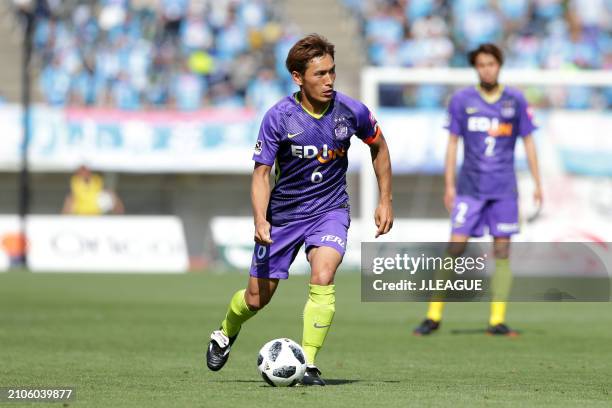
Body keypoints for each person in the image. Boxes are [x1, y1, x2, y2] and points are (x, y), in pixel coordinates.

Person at [206, 34, 393, 385]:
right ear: (297, 77)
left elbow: (379, 146)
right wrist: (260, 219)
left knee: (323, 275)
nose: (329, 80)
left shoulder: (351, 111)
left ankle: (308, 365)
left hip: (330, 209)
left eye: (332, 72)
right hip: (284, 215)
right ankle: (226, 331)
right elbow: (261, 174)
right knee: (256, 298)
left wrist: (385, 199)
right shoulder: (279, 117)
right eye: (320, 74)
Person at [413, 43, 542, 336]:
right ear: (476, 68)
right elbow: (452, 143)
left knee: (503, 250)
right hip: (470, 187)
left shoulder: (515, 100)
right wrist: (449, 185)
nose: (487, 69)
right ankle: (433, 315)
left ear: (499, 65)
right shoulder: (462, 100)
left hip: (504, 188)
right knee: (455, 247)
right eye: (482, 64)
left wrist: (537, 182)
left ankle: (497, 320)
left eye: (492, 64)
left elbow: (529, 141)